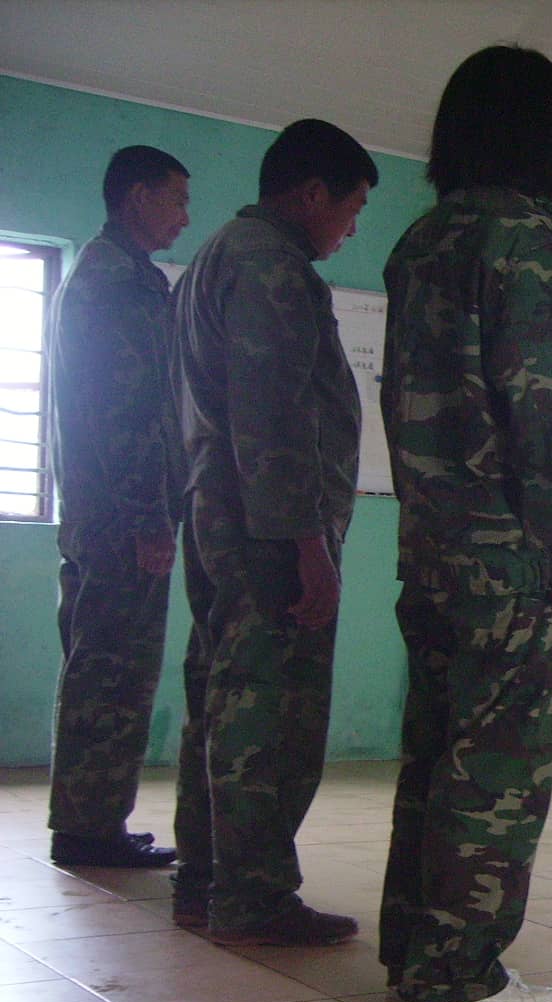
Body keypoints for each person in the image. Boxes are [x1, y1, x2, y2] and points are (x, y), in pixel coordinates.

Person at [378, 45, 552, 1002]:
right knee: (498, 764)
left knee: (432, 752)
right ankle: (455, 973)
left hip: (429, 548)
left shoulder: (419, 243)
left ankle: (411, 947)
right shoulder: (531, 243)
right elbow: (549, 411)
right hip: (510, 557)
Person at [169, 119, 377, 944]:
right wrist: (307, 547)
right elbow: (274, 415)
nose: (351, 227)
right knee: (268, 708)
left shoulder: (214, 259)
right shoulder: (270, 266)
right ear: (312, 192)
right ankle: (251, 896)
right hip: (268, 529)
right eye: (351, 208)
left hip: (219, 510)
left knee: (220, 697)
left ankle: (206, 876)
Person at [46, 145, 190, 869]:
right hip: (118, 516)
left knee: (102, 663)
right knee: (114, 670)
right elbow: (127, 410)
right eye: (175, 199)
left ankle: (90, 820)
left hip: (100, 512)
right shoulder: (117, 282)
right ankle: (88, 828)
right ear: (137, 198)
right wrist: (149, 516)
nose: (184, 216)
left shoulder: (111, 274)